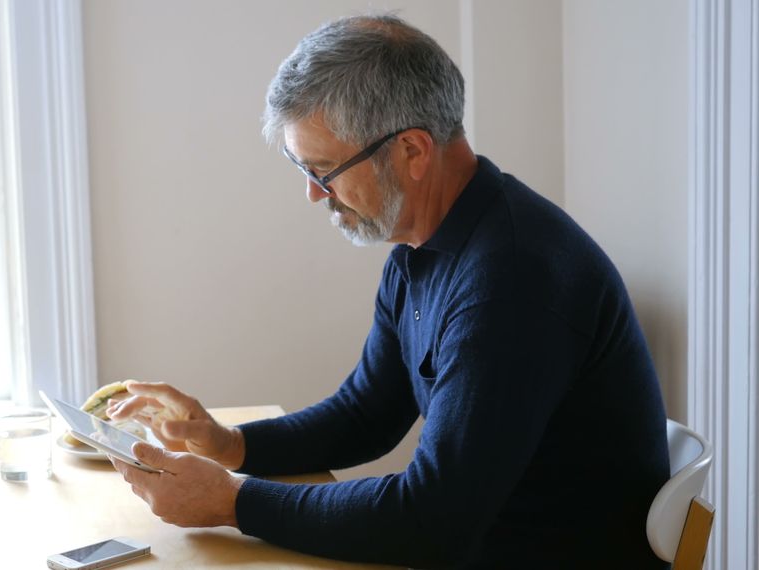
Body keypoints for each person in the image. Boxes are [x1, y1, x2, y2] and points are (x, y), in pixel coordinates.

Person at [107, 13, 670, 569]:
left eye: (324, 169)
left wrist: (231, 501)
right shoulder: (421, 243)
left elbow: (430, 520)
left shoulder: (512, 284)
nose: (313, 194)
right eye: (300, 165)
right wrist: (230, 445)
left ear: (413, 152)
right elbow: (365, 414)